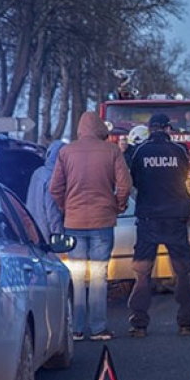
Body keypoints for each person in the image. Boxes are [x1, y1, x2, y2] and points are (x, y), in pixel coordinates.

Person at [50, 112, 132, 341]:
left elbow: (54, 187)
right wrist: (119, 205)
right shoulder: (113, 151)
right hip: (102, 221)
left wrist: (66, 207)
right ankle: (98, 328)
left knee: (76, 277)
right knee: (98, 276)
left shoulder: (65, 152)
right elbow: (124, 185)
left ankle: (76, 329)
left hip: (73, 223)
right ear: (99, 129)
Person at [127, 113, 190, 337]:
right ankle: (185, 322)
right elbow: (184, 175)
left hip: (148, 218)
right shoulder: (179, 151)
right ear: (168, 129)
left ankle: (139, 323)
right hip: (175, 218)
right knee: (182, 270)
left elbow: (135, 181)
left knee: (142, 271)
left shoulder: (140, 152)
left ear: (150, 129)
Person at [25, 139, 68, 240]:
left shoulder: (38, 173)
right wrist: (59, 236)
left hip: (33, 232)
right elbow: (52, 211)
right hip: (47, 235)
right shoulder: (54, 178)